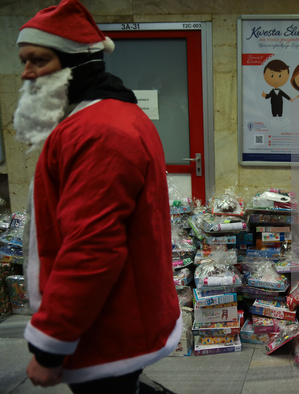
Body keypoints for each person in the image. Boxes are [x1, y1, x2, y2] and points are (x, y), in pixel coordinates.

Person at [14, 0, 181, 392]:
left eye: (38, 61)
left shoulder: (99, 131)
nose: (26, 74)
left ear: (76, 62)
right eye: (25, 61)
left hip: (107, 325)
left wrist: (50, 348)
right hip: (112, 315)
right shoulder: (102, 119)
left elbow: (92, 247)